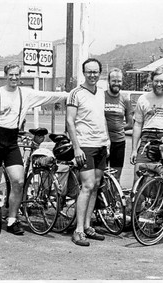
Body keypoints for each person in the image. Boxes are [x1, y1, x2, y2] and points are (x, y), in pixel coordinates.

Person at [0, 62, 67, 235]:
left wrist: (71, 94)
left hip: (11, 141)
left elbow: (49, 96)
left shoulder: (26, 94)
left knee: (18, 181)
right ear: (5, 75)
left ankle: (12, 220)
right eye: (10, 74)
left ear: (20, 75)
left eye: (17, 75)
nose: (14, 78)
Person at [66, 58, 109, 246]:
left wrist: (107, 142)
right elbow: (69, 121)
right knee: (87, 185)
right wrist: (76, 147)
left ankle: (87, 226)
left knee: (96, 185)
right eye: (89, 72)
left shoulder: (101, 93)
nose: (92, 75)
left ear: (100, 73)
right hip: (85, 145)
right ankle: (78, 230)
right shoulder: (75, 94)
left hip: (101, 145)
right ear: (83, 73)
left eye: (95, 72)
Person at [130, 67, 163, 184]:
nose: (159, 84)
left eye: (162, 81)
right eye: (156, 81)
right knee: (138, 178)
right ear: (151, 81)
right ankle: (139, 202)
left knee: (162, 181)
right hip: (147, 139)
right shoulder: (143, 98)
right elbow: (137, 125)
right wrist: (134, 150)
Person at [104, 68, 133, 181]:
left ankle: (114, 197)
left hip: (119, 143)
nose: (116, 83)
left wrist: (118, 128)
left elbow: (130, 124)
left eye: (119, 81)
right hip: (103, 142)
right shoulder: (101, 97)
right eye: (114, 80)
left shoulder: (125, 100)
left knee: (116, 177)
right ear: (109, 81)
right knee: (102, 176)